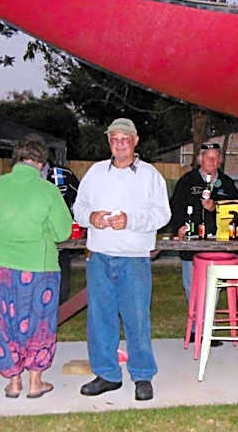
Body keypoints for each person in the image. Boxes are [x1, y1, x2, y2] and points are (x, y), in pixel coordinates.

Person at [73, 118, 171, 401]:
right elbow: (78, 208)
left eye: (125, 139)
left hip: (134, 258)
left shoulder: (150, 175)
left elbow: (163, 215)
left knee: (137, 318)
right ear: (109, 142)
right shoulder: (95, 173)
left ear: (135, 141)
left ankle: (142, 375)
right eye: (114, 139)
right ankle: (107, 374)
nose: (120, 144)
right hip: (100, 257)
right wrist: (91, 217)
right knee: (99, 318)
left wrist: (131, 220)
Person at [0, 136, 74, 399]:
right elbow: (63, 231)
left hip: (1, 267)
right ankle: (35, 382)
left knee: (3, 322)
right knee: (39, 323)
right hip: (39, 267)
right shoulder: (47, 190)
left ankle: (13, 382)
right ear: (42, 163)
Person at [168, 142, 238, 298]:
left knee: (214, 287)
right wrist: (178, 228)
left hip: (219, 245)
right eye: (208, 158)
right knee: (192, 286)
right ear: (200, 159)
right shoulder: (187, 181)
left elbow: (237, 211)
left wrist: (216, 208)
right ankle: (196, 319)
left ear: (220, 160)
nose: (212, 162)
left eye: (215, 158)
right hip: (191, 245)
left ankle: (208, 317)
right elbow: (175, 208)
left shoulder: (227, 184)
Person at [44, 162, 80, 301]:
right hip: (31, 244)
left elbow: (79, 200)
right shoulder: (20, 180)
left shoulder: (63, 175)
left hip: (60, 242)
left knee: (61, 290)